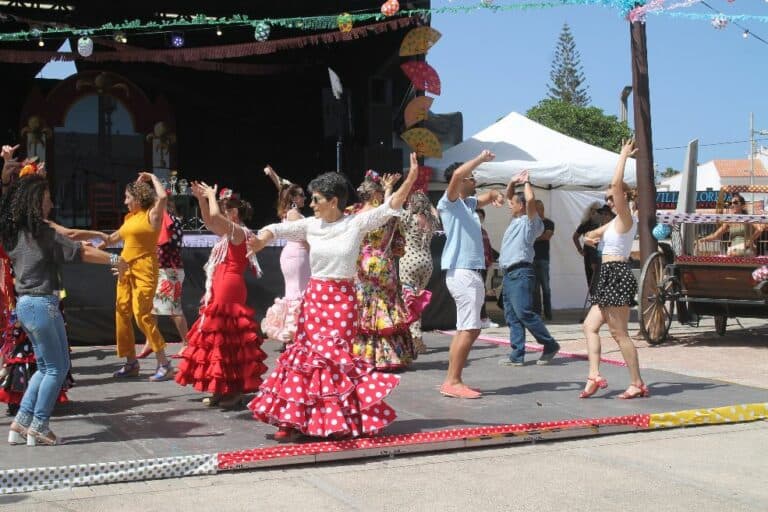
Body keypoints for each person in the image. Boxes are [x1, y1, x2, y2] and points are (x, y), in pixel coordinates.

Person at [246, 153, 419, 441]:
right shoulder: (310, 225)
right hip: (315, 298)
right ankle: (292, 419)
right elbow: (276, 228)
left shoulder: (355, 223)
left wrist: (412, 176)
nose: (310, 205)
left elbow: (391, 207)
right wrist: (262, 238)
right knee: (306, 357)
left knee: (334, 360)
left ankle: (333, 420)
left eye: (315, 199)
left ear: (333, 201)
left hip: (343, 299)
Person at [0, 173, 127, 446]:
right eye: (47, 198)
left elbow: (74, 243)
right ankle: (39, 426)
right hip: (42, 304)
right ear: (36, 201)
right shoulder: (41, 233)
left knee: (47, 367)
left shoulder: (17, 232)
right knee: (55, 368)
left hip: (27, 305)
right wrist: (117, 258)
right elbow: (81, 252)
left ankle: (21, 423)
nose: (52, 203)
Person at [174, 183, 267, 409]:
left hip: (229, 286)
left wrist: (211, 197)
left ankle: (234, 391)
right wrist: (202, 200)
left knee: (229, 339)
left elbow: (215, 216)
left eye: (227, 209)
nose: (223, 213)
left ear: (233, 213)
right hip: (219, 285)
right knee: (218, 340)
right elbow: (209, 220)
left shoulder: (239, 232)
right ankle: (220, 388)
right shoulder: (228, 233)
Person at [580, 138, 648, 400]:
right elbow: (594, 232)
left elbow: (617, 185)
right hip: (608, 276)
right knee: (589, 326)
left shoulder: (628, 217)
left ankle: (637, 382)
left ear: (624, 198)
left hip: (617, 275)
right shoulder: (616, 221)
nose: (609, 200)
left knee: (619, 334)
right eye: (607, 198)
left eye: (612, 197)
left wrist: (622, 155)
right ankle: (594, 375)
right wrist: (589, 236)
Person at [437, 151, 504, 399]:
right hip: (462, 271)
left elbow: (487, 196)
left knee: (467, 329)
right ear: (463, 180)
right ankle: (453, 381)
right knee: (470, 328)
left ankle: (451, 379)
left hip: (469, 271)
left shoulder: (468, 204)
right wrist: (480, 158)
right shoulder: (449, 202)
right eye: (472, 177)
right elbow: (456, 173)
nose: (475, 181)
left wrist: (496, 195)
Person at [99, 173, 174, 381]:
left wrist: (152, 177)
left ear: (138, 198)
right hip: (125, 269)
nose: (125, 201)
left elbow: (163, 197)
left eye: (127, 197)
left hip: (144, 269)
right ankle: (131, 362)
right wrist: (95, 247)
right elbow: (114, 237)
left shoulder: (152, 215)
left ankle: (165, 364)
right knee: (121, 312)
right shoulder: (130, 218)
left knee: (142, 314)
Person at [349, 170, 415, 370]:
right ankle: (390, 356)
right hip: (383, 264)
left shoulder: (351, 213)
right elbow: (398, 246)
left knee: (364, 306)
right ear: (377, 194)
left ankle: (363, 355)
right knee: (386, 304)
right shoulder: (387, 217)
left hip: (360, 264)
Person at [497, 171, 560, 367]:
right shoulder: (516, 219)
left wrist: (527, 182)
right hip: (509, 273)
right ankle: (517, 355)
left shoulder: (531, 222)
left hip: (521, 272)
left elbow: (531, 199)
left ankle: (549, 344)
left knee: (524, 312)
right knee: (512, 316)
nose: (509, 204)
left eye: (513, 202)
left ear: (522, 206)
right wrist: (511, 180)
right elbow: (509, 195)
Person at [261, 165, 310, 347]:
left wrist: (273, 174)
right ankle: (293, 334)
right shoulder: (294, 214)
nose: (305, 198)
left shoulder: (291, 212)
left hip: (295, 255)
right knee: (297, 294)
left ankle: (292, 333)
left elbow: (283, 186)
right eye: (302, 195)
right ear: (294, 198)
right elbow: (304, 239)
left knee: (295, 293)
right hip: (298, 254)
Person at [141, 201, 189, 359]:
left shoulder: (169, 221)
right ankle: (151, 341)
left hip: (170, 270)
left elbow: (164, 245)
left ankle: (187, 344)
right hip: (161, 269)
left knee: (174, 310)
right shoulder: (163, 220)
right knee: (151, 309)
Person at [399, 191, 438, 354]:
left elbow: (393, 208)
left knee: (409, 302)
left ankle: (415, 338)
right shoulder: (432, 221)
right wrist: (428, 203)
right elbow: (435, 212)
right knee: (418, 302)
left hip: (409, 262)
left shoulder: (409, 219)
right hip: (427, 262)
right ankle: (415, 336)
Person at [573, 202, 602, 293]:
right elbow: (575, 237)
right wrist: (580, 250)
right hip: (588, 254)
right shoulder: (586, 223)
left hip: (599, 254)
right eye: (592, 210)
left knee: (599, 279)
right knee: (590, 278)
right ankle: (594, 302)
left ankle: (599, 303)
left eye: (597, 210)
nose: (594, 212)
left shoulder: (602, 223)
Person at [532, 200, 555, 320]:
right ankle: (537, 312)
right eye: (534, 209)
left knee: (545, 286)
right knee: (535, 288)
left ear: (542, 209)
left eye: (538, 209)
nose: (536, 211)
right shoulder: (531, 223)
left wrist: (533, 238)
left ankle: (548, 312)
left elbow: (547, 236)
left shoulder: (549, 223)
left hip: (543, 259)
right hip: (532, 258)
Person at [477, 209, 499, 329]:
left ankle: (482, 318)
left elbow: (489, 247)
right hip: (475, 266)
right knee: (479, 293)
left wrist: (491, 260)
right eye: (477, 216)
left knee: (481, 292)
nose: (479, 218)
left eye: (481, 216)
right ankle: (482, 318)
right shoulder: (471, 231)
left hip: (484, 266)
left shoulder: (483, 231)